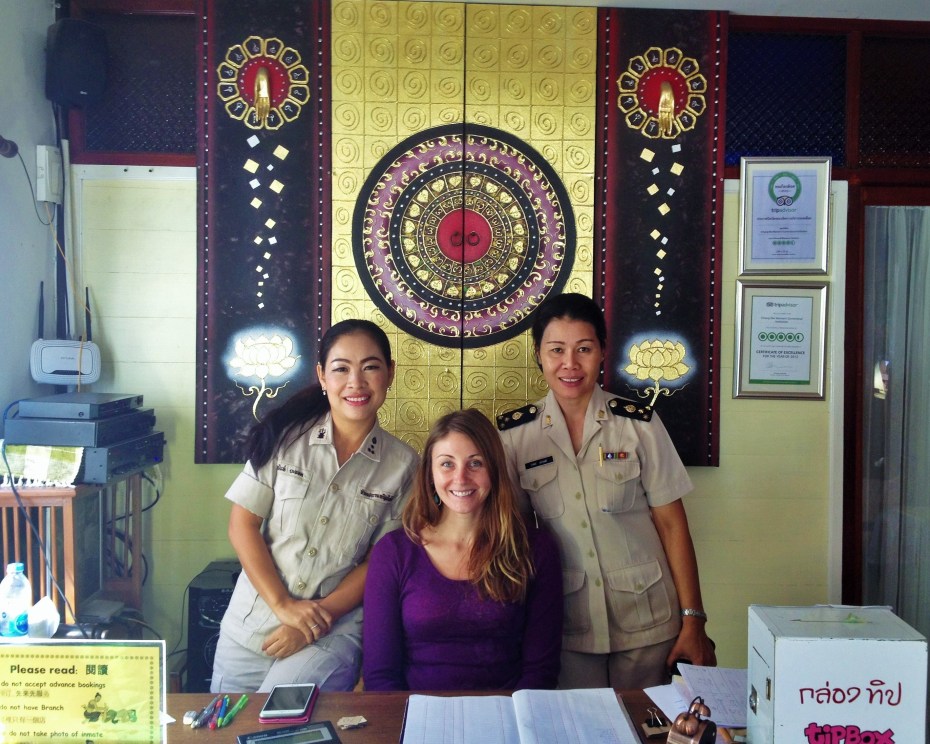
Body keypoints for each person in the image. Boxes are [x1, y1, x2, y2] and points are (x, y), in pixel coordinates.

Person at [497, 293, 716, 690]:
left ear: (602, 352)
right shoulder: (515, 437)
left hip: (649, 622)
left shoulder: (640, 425)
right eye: (556, 350)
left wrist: (693, 620)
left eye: (584, 349)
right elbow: (509, 535)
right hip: (566, 627)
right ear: (539, 356)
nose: (570, 364)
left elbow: (672, 526)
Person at [210, 319, 419, 693]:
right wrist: (284, 607)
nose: (356, 382)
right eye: (341, 369)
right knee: (228, 729)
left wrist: (310, 622)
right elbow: (241, 526)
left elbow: (379, 562)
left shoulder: (403, 466)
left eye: (370, 367)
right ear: (322, 376)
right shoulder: (285, 439)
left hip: (331, 631)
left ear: (390, 374)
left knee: (282, 724)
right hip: (251, 624)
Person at [362, 408, 562, 691]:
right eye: (447, 464)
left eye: (475, 463)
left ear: (494, 469)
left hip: (506, 718)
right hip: (420, 718)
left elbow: (540, 672)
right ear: (429, 474)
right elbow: (381, 676)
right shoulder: (393, 553)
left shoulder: (535, 549)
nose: (460, 478)